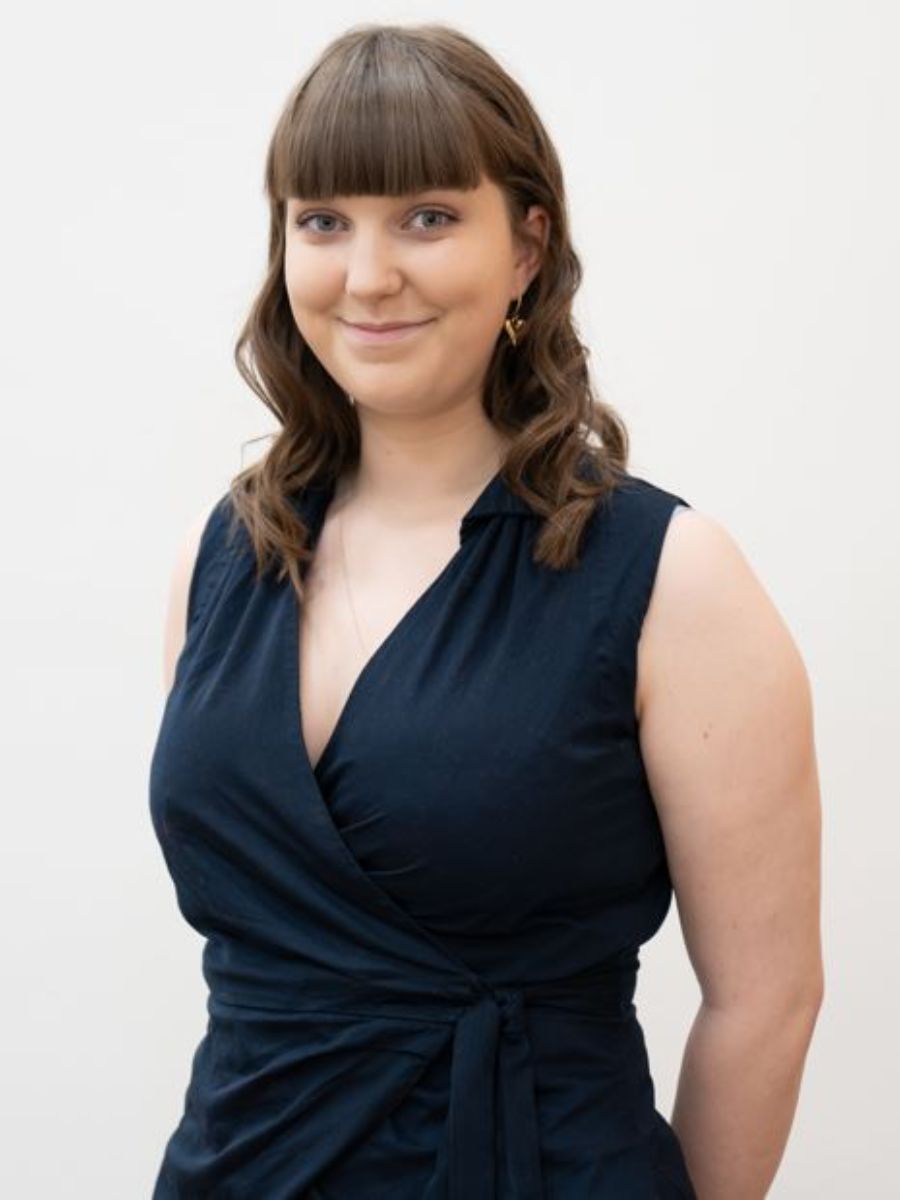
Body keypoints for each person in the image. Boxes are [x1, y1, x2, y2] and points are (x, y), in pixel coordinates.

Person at [150, 21, 823, 1200]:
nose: (367, 275)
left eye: (426, 216)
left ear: (526, 247)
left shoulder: (673, 576)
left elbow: (767, 1000)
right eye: (323, 221)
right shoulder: (225, 557)